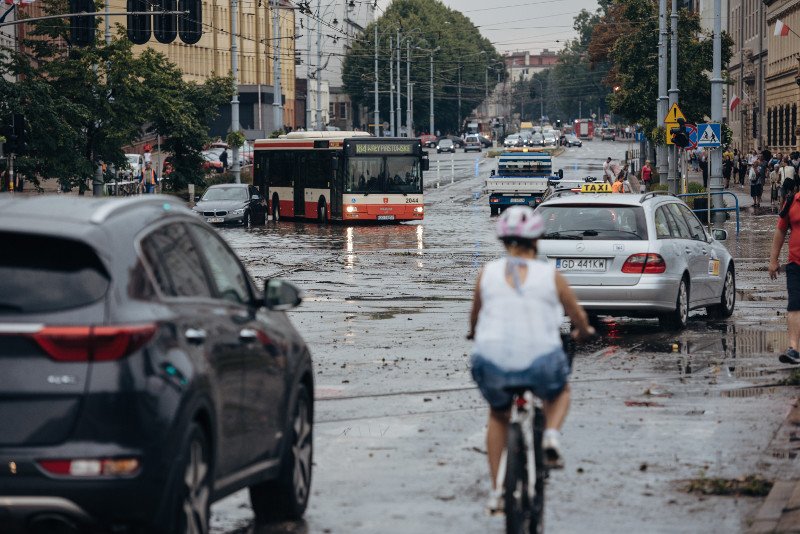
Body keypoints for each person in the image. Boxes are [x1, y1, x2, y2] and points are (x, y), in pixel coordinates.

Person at [467, 207, 595, 512]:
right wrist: (584, 330)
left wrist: (473, 334)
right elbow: (577, 317)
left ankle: (498, 491)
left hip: (492, 361)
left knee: (498, 415)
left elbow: (475, 318)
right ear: (536, 239)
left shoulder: (487, 272)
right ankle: (550, 436)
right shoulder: (551, 275)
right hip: (540, 361)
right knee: (560, 390)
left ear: (502, 240)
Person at [769, 178, 800, 364]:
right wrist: (773, 260)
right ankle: (794, 348)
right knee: (795, 304)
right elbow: (780, 231)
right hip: (795, 264)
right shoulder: (792, 202)